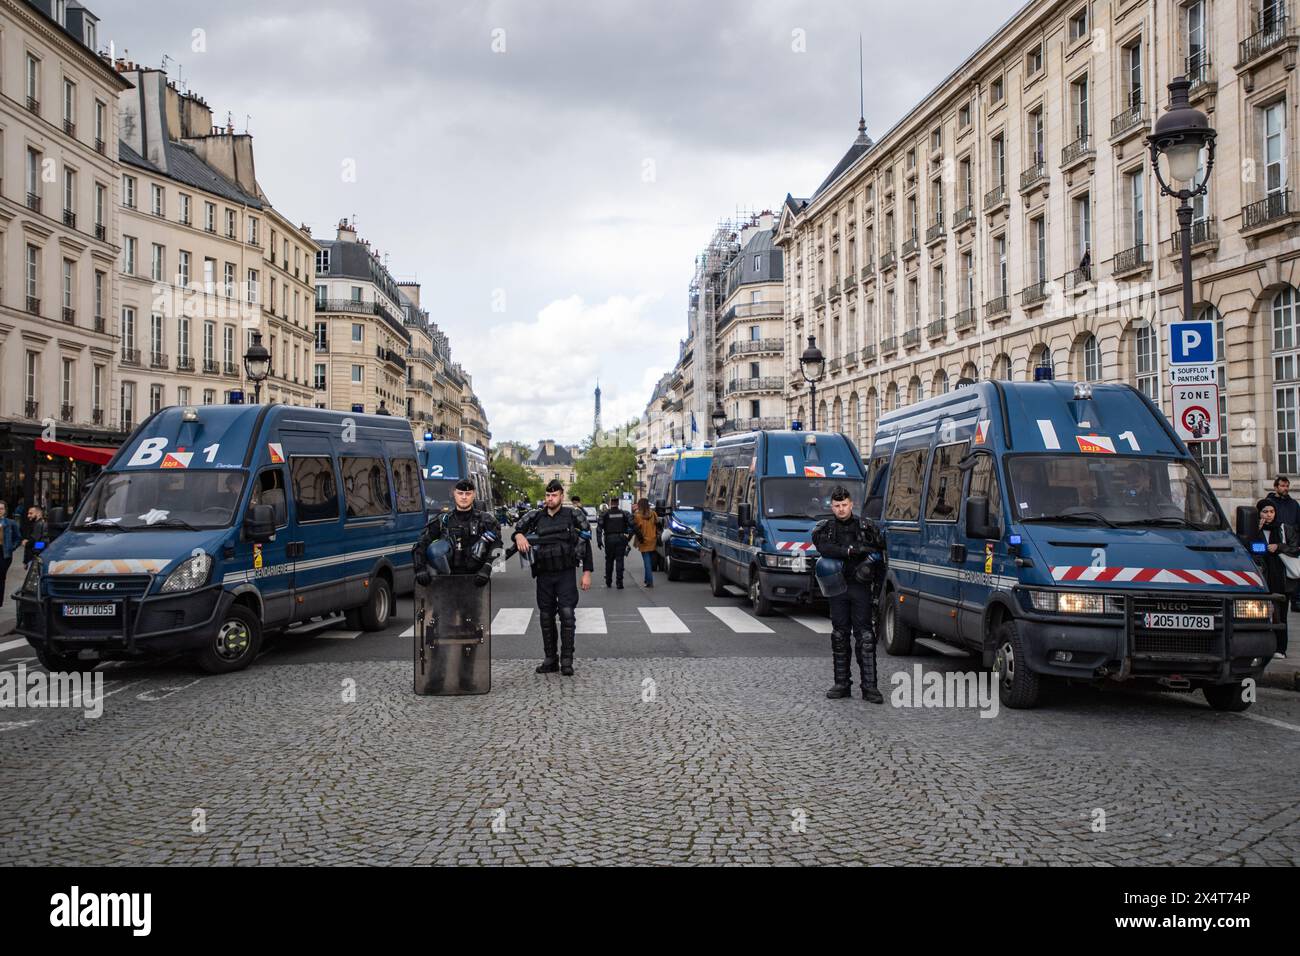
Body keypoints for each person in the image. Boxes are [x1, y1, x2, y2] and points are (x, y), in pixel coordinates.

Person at [812, 486, 887, 703]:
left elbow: (880, 552)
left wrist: (876, 584)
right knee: (839, 635)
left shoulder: (866, 526)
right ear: (832, 506)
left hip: (861, 586)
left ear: (851, 504)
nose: (841, 509)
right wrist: (851, 551)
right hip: (837, 586)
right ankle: (842, 683)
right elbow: (824, 548)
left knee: (865, 636)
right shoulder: (826, 528)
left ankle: (870, 687)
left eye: (844, 505)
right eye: (837, 506)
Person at [512, 479, 593, 676]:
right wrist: (518, 536)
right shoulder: (537, 516)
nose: (550, 498)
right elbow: (518, 529)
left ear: (561, 496)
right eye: (548, 495)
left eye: (554, 495)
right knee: (546, 617)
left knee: (567, 615)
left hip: (565, 573)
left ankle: (567, 660)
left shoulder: (572, 515)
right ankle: (550, 659)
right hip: (544, 574)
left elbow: (585, 543)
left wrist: (586, 573)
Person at [412, 479, 501, 587]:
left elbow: (498, 547)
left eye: (468, 493)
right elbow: (420, 545)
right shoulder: (442, 520)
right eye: (460, 493)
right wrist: (420, 569)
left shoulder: (486, 520)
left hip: (476, 580)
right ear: (454, 494)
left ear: (474, 495)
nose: (464, 497)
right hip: (446, 580)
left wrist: (487, 568)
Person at [1245, 501, 1296, 659]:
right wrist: (1256, 531)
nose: (1268, 515)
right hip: (1262, 578)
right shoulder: (1254, 529)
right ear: (1259, 513)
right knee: (1260, 614)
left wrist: (1279, 547)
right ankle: (1261, 647)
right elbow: (1250, 548)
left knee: (1281, 615)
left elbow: (1295, 548)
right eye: (1265, 511)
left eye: (1271, 511)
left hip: (1281, 578)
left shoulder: (1284, 529)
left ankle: (1280, 648)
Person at [597, 496, 633, 588]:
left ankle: (608, 581)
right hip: (621, 538)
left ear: (610, 503)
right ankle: (619, 582)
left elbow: (599, 528)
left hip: (609, 539)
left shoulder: (605, 514)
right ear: (618, 503)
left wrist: (599, 540)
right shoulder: (624, 513)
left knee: (609, 560)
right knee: (620, 560)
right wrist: (629, 538)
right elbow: (633, 525)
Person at [632, 498, 660, 588]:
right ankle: (646, 579)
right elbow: (658, 524)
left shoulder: (638, 515)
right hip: (652, 539)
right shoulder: (653, 514)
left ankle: (649, 581)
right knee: (649, 560)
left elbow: (635, 528)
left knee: (646, 561)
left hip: (643, 540)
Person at [0, 501, 20, 608]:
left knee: (1, 576)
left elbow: (18, 538)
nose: (0, 511)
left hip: (5, 554)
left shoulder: (11, 523)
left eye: (1, 508)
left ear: (5, 510)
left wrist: (12, 548)